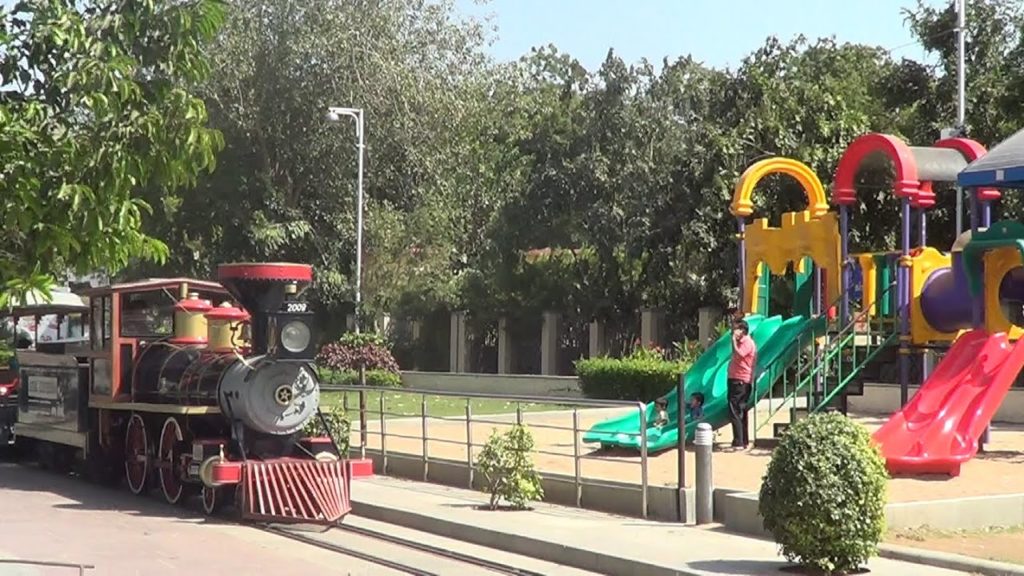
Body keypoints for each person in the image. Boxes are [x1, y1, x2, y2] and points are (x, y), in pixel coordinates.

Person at [727, 319, 757, 448]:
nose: (733, 332)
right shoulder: (742, 342)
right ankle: (743, 440)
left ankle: (738, 441)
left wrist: (734, 340)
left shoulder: (747, 343)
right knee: (741, 410)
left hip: (740, 381)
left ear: (743, 331)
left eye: (735, 329)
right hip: (737, 379)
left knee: (735, 410)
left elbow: (740, 354)